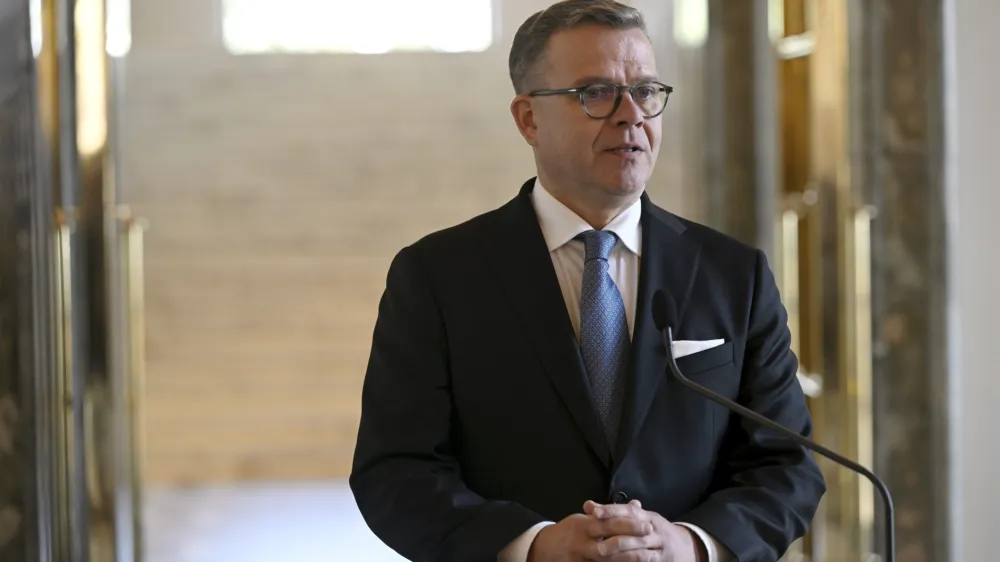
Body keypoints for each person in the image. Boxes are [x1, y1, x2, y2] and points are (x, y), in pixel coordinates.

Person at [349, 1, 826, 561]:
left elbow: (786, 463)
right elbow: (396, 472)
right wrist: (533, 546)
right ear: (528, 118)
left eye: (647, 91)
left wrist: (691, 544)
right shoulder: (437, 277)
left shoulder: (733, 274)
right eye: (596, 92)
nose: (631, 115)